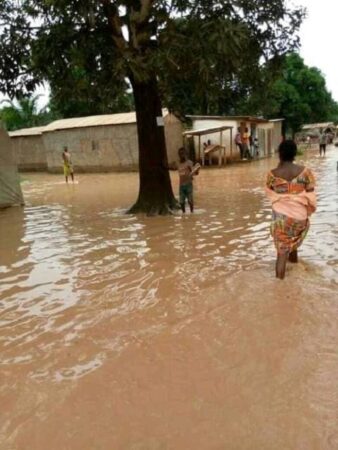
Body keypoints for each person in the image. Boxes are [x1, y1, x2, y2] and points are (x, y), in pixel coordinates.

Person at [265, 140, 316, 280]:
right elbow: (310, 193)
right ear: (294, 153)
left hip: (281, 217)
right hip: (300, 216)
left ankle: (280, 287)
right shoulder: (306, 172)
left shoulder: (272, 174)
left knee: (282, 252)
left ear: (280, 154)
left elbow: (270, 192)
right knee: (292, 243)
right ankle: (294, 271)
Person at [177, 147, 198, 213]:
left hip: (188, 184)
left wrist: (196, 171)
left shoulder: (189, 163)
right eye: (180, 154)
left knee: (190, 200)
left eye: (183, 154)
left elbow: (194, 172)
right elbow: (173, 167)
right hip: (181, 186)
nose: (181, 155)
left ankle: (192, 212)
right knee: (181, 202)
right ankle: (184, 213)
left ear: (186, 154)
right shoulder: (178, 164)